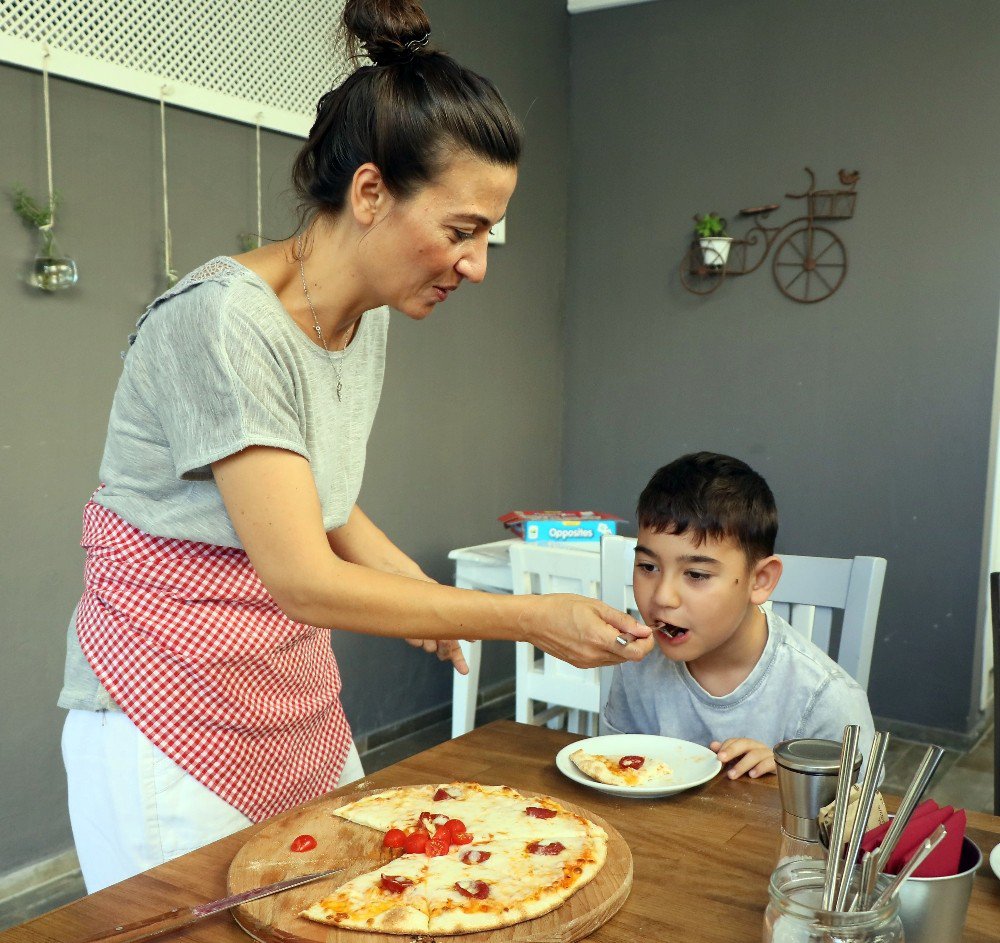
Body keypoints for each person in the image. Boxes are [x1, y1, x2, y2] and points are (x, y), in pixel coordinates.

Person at [58, 0, 651, 893]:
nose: (478, 264)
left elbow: (315, 492)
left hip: (285, 689)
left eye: (486, 233)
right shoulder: (221, 322)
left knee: (344, 904)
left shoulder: (362, 318)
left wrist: (410, 588)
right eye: (462, 231)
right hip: (164, 704)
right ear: (370, 192)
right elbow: (299, 573)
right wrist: (531, 616)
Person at [603, 451, 874, 779]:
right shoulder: (636, 661)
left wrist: (790, 777)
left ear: (759, 581)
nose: (661, 596)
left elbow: (865, 823)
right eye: (648, 567)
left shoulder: (826, 701)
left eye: (697, 574)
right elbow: (612, 775)